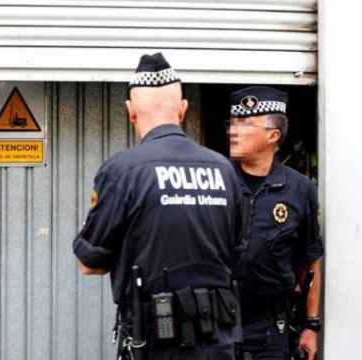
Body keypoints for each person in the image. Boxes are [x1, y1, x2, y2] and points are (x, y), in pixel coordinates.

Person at [73, 53, 243, 360]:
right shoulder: (225, 170)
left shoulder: (122, 170)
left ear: (130, 112)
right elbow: (237, 250)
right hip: (218, 343)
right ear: (183, 109)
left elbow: (89, 262)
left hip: (153, 343)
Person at [227, 86, 323, 360]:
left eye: (245, 124)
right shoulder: (216, 179)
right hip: (215, 325)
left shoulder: (300, 189)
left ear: (273, 135)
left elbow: (310, 260)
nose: (234, 131)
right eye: (232, 123)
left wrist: (311, 325)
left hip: (270, 328)